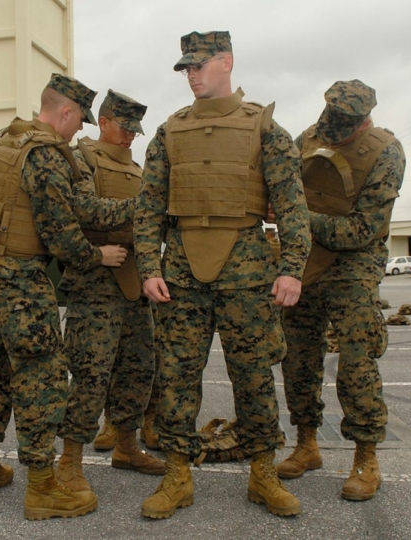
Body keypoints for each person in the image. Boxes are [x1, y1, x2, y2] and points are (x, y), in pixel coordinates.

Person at [133, 31, 311, 519]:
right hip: (181, 271)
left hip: (247, 269)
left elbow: (293, 207)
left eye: (200, 65)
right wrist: (149, 266)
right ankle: (177, 476)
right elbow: (148, 208)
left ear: (226, 62)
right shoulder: (169, 131)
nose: (192, 75)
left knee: (254, 376)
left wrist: (292, 269)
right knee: (176, 376)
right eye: (186, 68)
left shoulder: (265, 129)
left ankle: (263, 473)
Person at [0, 73, 128, 520]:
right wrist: (98, 255)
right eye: (79, 121)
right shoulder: (46, 154)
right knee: (42, 376)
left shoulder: (8, 139)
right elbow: (62, 237)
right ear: (66, 112)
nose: (79, 131)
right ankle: (41, 488)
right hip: (19, 281)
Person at [277, 80, 406, 503]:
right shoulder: (310, 137)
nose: (330, 131)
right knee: (297, 355)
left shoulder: (386, 152)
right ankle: (306, 444)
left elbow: (362, 230)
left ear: (363, 121)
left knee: (356, 359)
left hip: (355, 263)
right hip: (306, 260)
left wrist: (299, 217)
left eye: (341, 126)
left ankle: (366, 458)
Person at [56, 90, 164, 496]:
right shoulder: (80, 159)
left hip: (134, 282)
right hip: (95, 285)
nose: (130, 136)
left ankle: (126, 445)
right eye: (124, 128)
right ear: (103, 122)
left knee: (139, 369)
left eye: (136, 130)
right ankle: (70, 460)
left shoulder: (136, 169)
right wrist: (147, 206)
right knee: (90, 373)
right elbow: (84, 210)